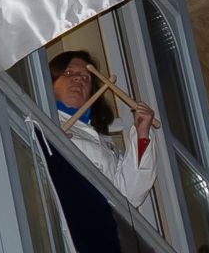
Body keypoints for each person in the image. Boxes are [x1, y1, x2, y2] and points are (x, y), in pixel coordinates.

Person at [50, 50, 156, 208]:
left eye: (86, 77)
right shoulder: (43, 120)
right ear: (49, 82)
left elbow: (130, 195)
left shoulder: (105, 143)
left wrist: (142, 134)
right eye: (68, 72)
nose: (78, 78)